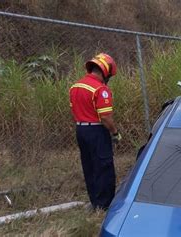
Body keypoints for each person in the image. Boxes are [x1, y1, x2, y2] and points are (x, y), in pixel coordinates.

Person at [69, 53, 121, 210]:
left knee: (89, 166)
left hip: (81, 130)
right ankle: (105, 204)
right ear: (105, 72)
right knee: (104, 166)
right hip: (97, 131)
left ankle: (94, 202)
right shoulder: (100, 89)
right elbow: (105, 117)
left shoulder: (75, 86)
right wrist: (114, 133)